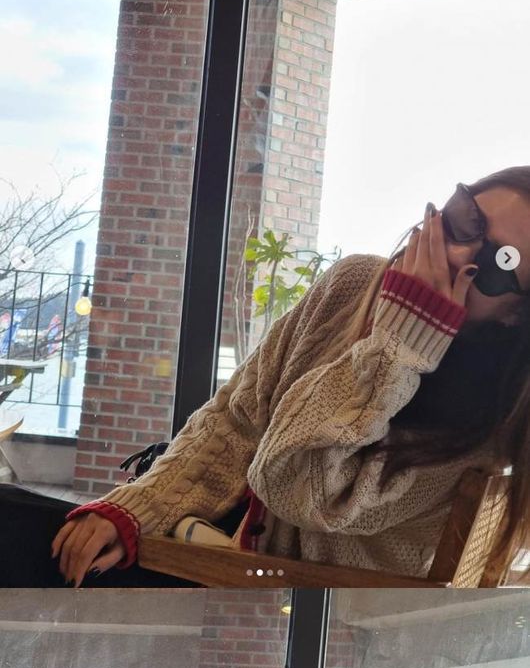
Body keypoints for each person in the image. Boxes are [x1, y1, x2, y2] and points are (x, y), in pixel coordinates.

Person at [52, 166, 530, 588]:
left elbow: (299, 488)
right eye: (464, 219)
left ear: (516, 314)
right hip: (230, 572)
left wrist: (399, 345)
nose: (455, 254)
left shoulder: (490, 427)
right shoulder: (350, 285)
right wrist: (138, 508)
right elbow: (236, 419)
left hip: (320, 629)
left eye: (497, 264)